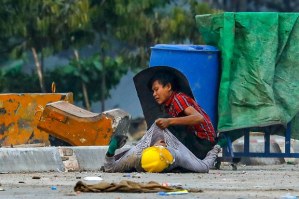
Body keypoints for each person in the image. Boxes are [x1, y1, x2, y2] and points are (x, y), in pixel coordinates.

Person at [148, 70, 223, 160]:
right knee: (163, 122)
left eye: (156, 89)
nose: (154, 94)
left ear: (168, 86)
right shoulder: (168, 105)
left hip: (203, 144)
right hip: (196, 143)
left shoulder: (178, 99)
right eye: (153, 91)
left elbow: (199, 118)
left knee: (166, 119)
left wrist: (169, 121)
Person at [104, 123, 221, 173]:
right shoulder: (176, 155)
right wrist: (216, 148)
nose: (161, 145)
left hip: (173, 133)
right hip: (169, 140)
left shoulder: (136, 154)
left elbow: (110, 167)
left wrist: (112, 150)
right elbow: (204, 167)